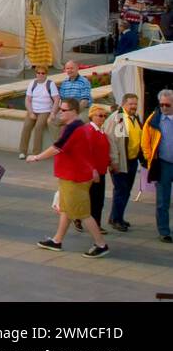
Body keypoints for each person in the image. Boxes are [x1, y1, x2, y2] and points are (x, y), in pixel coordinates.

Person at [27, 98, 110, 257]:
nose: (60, 112)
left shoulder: (74, 128)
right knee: (66, 209)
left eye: (63, 110)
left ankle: (101, 244)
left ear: (73, 111)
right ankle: (57, 241)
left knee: (83, 213)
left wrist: (36, 157)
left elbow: (57, 148)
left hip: (75, 177)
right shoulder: (78, 126)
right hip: (72, 175)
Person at [138, 89, 173, 243]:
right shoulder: (154, 119)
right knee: (162, 200)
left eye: (167, 105)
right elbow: (144, 141)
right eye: (161, 104)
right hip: (163, 163)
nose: (164, 108)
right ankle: (164, 231)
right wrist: (150, 157)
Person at [104, 93, 142, 232]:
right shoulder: (118, 118)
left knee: (125, 191)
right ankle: (116, 219)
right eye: (131, 104)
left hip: (132, 161)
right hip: (120, 162)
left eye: (135, 104)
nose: (133, 106)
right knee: (121, 191)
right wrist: (114, 162)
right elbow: (112, 142)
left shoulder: (134, 117)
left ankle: (117, 216)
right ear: (124, 103)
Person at [19, 66, 60, 159]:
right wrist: (30, 112)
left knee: (38, 127)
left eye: (43, 73)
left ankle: (36, 153)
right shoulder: (32, 83)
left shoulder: (50, 84)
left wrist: (53, 113)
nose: (40, 75)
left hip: (45, 111)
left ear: (46, 74)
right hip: (33, 110)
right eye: (38, 73)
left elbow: (56, 99)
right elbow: (28, 100)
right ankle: (22, 151)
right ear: (36, 74)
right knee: (26, 127)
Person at [84, 104, 112, 233]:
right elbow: (86, 152)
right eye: (100, 116)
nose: (103, 118)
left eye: (105, 116)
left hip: (101, 171)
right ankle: (92, 225)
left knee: (98, 200)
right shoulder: (90, 130)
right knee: (92, 200)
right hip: (92, 172)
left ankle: (96, 225)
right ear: (92, 116)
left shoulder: (100, 131)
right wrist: (92, 169)